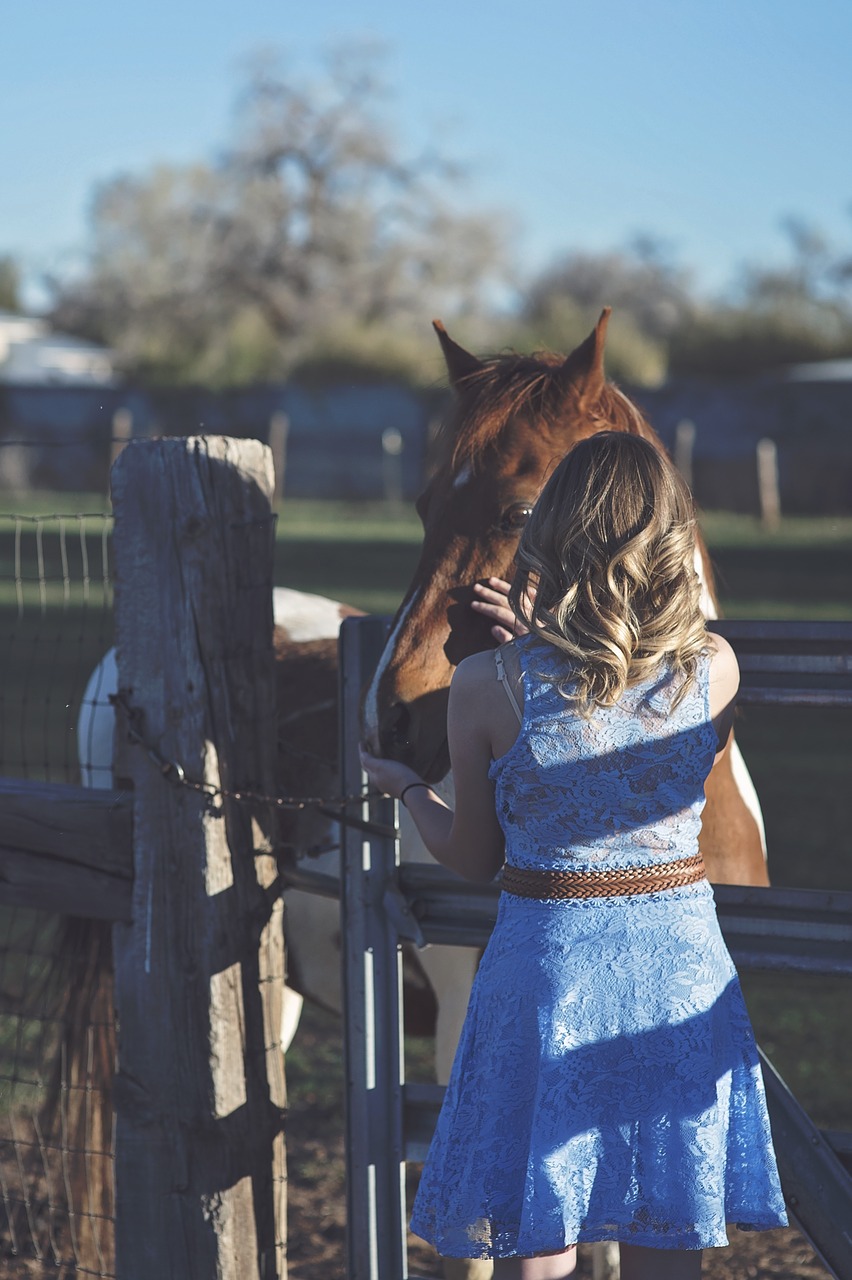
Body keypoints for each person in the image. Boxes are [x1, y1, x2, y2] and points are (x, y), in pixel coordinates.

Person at [359, 432, 787, 1280]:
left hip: (549, 970)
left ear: (550, 532)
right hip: (678, 968)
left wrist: (408, 788)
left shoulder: (487, 685)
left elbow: (474, 857)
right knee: (665, 1222)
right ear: (669, 538)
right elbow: (626, 731)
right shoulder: (716, 669)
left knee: (539, 1228)